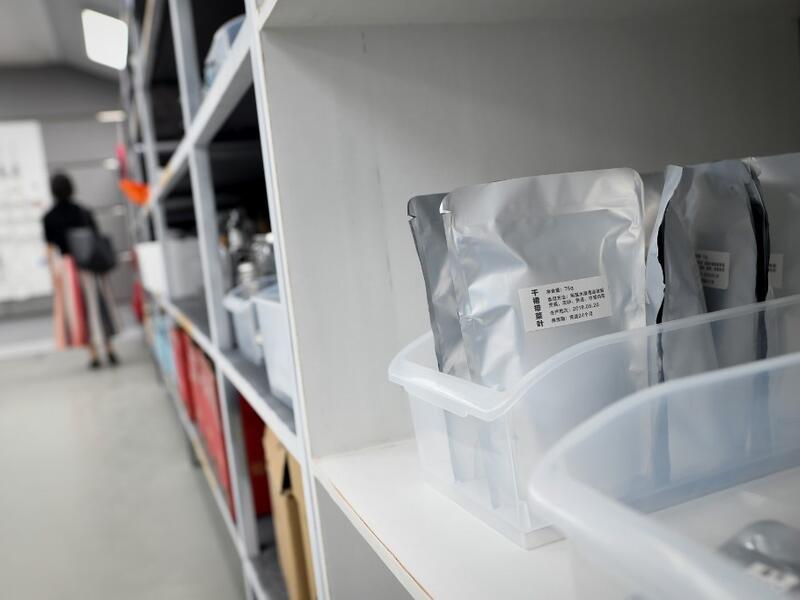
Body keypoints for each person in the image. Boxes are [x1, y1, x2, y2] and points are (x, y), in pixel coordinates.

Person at [43, 173, 120, 368]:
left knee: (79, 311)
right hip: (90, 266)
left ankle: (93, 354)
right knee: (98, 307)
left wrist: (53, 273)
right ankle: (109, 349)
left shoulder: (48, 217)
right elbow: (96, 238)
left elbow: (50, 249)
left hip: (68, 269)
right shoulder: (83, 212)